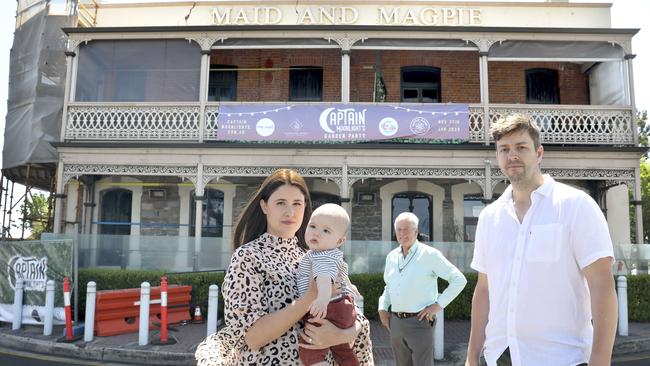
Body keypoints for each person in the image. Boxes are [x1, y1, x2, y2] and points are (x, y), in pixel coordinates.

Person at [465, 114, 618, 366]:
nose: (512, 155)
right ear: (497, 157)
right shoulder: (489, 217)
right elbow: (484, 291)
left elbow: (602, 286)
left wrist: (600, 362)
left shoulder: (576, 206)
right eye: (504, 149)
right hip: (501, 356)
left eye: (521, 147)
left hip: (562, 357)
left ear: (538, 153)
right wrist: (472, 357)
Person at [194, 169, 373, 366]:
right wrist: (310, 298)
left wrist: (341, 334)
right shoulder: (248, 257)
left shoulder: (316, 254)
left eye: (297, 203)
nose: (290, 212)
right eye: (281, 203)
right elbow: (252, 337)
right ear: (264, 206)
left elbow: (354, 313)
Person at [378, 212, 467, 366]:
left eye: (406, 229)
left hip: (420, 321)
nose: (402, 233)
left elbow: (459, 280)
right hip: (396, 322)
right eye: (398, 229)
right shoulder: (391, 257)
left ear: (416, 231)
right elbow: (389, 286)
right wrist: (382, 308)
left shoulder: (430, 255)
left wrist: (438, 305)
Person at [297, 203, 359, 366]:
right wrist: (351, 289)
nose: (316, 232)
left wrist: (322, 299)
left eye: (326, 230)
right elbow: (341, 275)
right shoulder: (333, 254)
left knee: (309, 348)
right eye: (313, 226)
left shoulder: (320, 256)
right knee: (343, 350)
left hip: (328, 308)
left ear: (340, 240)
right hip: (342, 308)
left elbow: (324, 278)